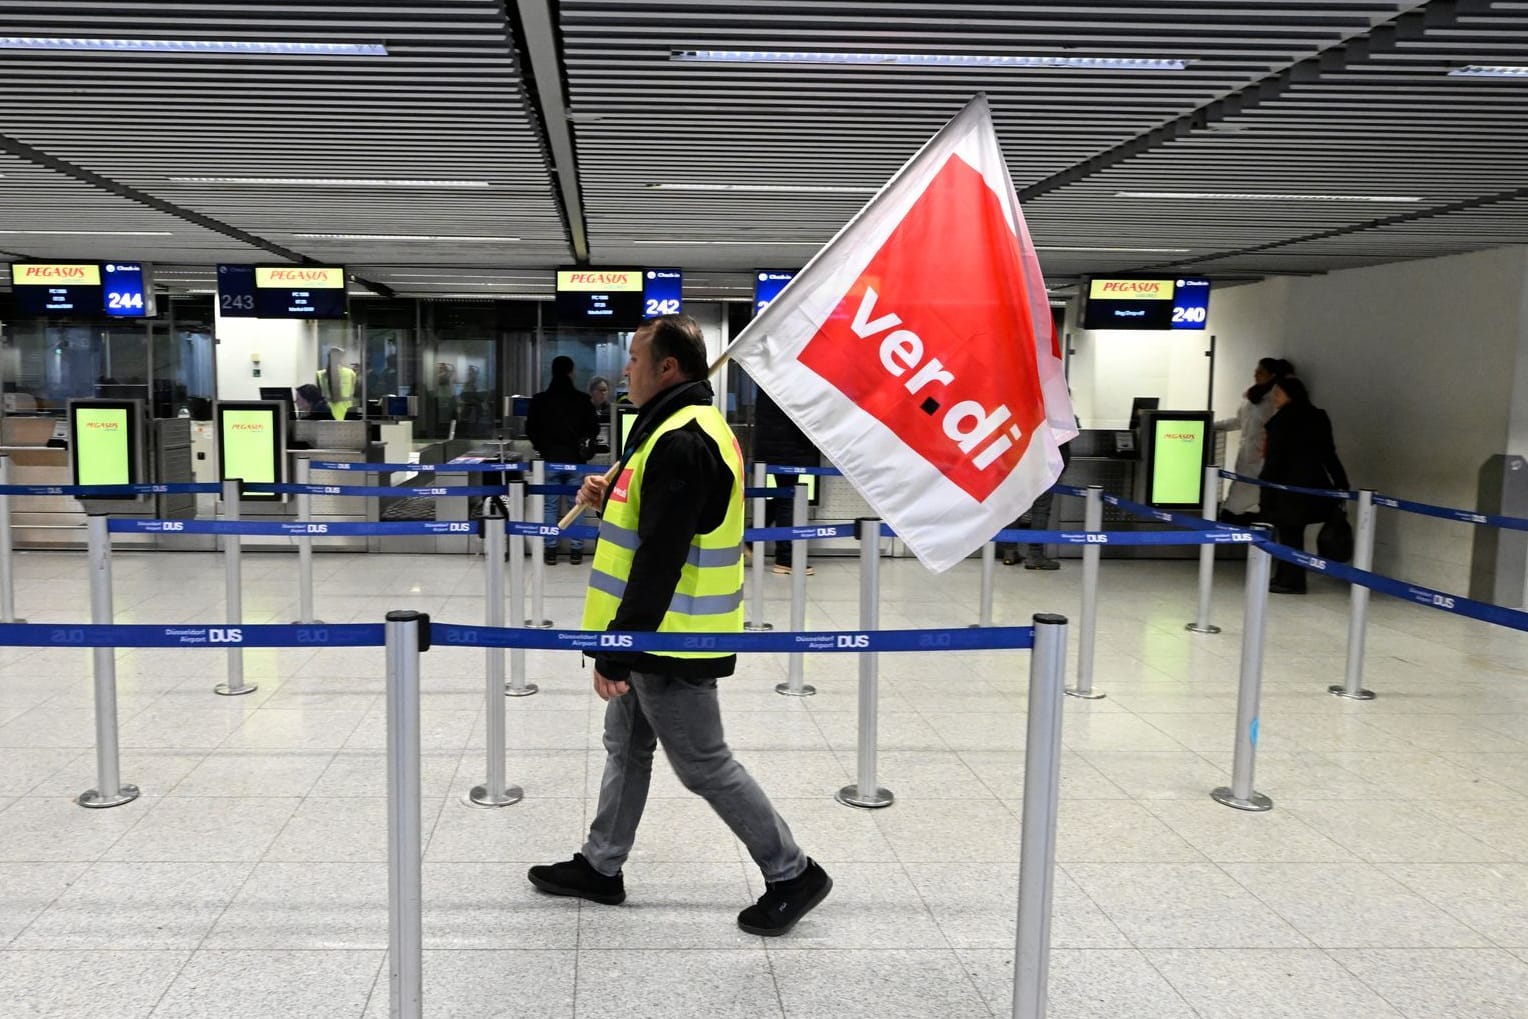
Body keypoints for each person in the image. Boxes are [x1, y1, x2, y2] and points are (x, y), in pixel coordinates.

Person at [527, 314, 831, 937]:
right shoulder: (665, 427)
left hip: (671, 638)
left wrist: (619, 648)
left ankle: (792, 872)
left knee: (703, 764)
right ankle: (600, 866)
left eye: (636, 359)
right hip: (652, 633)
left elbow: (661, 556)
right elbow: (651, 518)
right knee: (627, 747)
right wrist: (608, 493)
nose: (625, 371)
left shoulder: (684, 438)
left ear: (668, 368)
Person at [1260, 376, 1349, 594]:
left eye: (1278, 393)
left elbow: (1275, 457)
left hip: (1286, 486)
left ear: (1291, 395)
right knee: (1292, 532)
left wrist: (1265, 484)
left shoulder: (1282, 420)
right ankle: (1285, 576)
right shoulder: (1317, 416)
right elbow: (1329, 453)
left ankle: (1292, 580)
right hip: (1313, 484)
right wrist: (1341, 483)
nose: (1274, 397)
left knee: (1289, 534)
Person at [525, 355, 599, 565]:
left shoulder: (540, 400)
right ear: (571, 372)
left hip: (550, 460)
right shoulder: (582, 400)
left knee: (550, 506)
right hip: (575, 460)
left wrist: (542, 447)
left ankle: (551, 550)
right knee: (578, 504)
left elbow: (530, 429)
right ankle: (576, 550)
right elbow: (593, 429)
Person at [1216, 357, 1293, 525]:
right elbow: (1239, 421)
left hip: (1262, 461)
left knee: (1240, 507)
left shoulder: (1273, 400)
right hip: (1246, 458)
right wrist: (1212, 425)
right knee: (1240, 503)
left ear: (1272, 375)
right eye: (1256, 371)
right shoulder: (1251, 397)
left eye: (1261, 372)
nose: (1256, 375)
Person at [752, 387, 821, 575]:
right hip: (787, 444)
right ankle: (785, 557)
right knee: (787, 497)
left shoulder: (769, 379)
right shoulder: (788, 381)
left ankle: (751, 539)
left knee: (784, 494)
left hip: (774, 443)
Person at [316, 347, 357, 421]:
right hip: (342, 414)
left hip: (330, 415)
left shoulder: (320, 374)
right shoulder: (350, 373)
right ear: (341, 358)